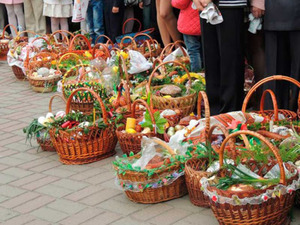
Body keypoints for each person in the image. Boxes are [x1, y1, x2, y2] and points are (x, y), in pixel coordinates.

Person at [264, 0, 300, 111]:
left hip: (274, 11)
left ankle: (275, 111)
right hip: (274, 11)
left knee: (275, 66)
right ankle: (279, 111)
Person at [172, 0, 202, 72]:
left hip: (189, 25)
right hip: (205, 22)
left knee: (193, 51)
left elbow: (179, 3)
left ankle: (196, 75)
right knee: (206, 50)